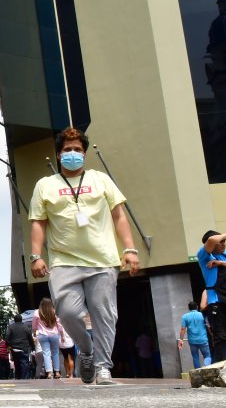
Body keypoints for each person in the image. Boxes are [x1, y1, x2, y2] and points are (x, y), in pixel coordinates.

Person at [29, 126, 141, 386]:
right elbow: (38, 222)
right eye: (67, 150)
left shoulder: (100, 179)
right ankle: (86, 349)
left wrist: (130, 249)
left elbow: (119, 214)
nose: (72, 154)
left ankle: (102, 367)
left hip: (103, 259)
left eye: (77, 150)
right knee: (66, 312)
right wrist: (36, 255)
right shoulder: (45, 185)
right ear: (58, 155)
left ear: (84, 154)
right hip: (63, 260)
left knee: (105, 314)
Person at [197, 230, 226, 361]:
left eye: (224, 242)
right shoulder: (204, 256)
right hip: (216, 302)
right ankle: (218, 369)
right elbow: (210, 241)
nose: (223, 244)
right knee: (221, 337)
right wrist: (225, 235)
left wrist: (222, 263)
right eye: (220, 242)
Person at [32, 298, 65, 379]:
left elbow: (34, 325)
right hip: (54, 335)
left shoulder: (37, 312)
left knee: (46, 353)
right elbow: (59, 326)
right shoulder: (54, 312)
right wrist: (62, 336)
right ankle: (57, 372)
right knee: (55, 353)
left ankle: (49, 373)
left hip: (43, 335)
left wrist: (34, 333)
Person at [179, 301, 212, 369]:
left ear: (189, 308)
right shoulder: (202, 315)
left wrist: (181, 340)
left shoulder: (185, 317)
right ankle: (206, 367)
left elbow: (183, 329)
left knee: (195, 357)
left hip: (192, 341)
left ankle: (198, 373)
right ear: (197, 307)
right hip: (203, 339)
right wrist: (212, 334)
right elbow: (208, 326)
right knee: (207, 356)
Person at [4, 314, 32, 379]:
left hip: (14, 348)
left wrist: (8, 345)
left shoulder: (10, 327)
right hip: (24, 347)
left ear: (14, 320)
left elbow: (7, 337)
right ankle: (24, 378)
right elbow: (30, 337)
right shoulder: (26, 327)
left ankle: (18, 377)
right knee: (24, 363)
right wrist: (32, 346)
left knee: (17, 363)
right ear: (21, 319)